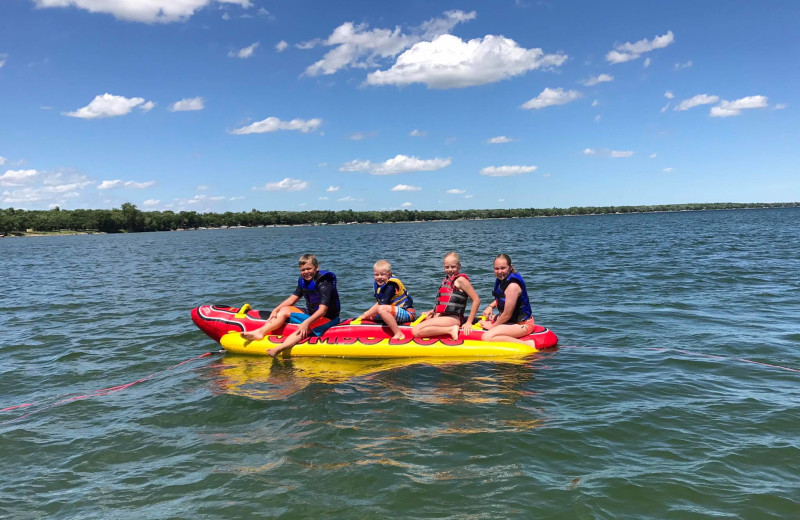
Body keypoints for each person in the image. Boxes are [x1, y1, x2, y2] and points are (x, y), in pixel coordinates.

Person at [241, 254, 341, 357]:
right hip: (312, 313)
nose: (306, 272)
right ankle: (260, 332)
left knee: (304, 329)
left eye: (309, 269)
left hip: (328, 318)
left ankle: (281, 347)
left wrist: (306, 322)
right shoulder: (303, 282)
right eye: (303, 270)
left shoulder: (324, 283)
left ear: (316, 267)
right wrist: (276, 310)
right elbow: (292, 299)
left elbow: (323, 310)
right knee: (284, 310)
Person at [412, 252, 480, 341]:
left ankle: (450, 330)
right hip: (445, 316)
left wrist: (469, 322)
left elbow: (476, 300)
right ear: (443, 267)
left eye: (453, 267)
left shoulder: (461, 280)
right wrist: (432, 311)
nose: (450, 270)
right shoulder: (446, 280)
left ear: (459, 266)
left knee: (415, 331)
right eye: (447, 267)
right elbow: (447, 303)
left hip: (453, 318)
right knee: (427, 319)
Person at [479, 253, 536, 346]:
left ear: (510, 267)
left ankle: (527, 344)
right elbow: (503, 298)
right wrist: (491, 306)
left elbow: (507, 314)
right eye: (496, 269)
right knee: (488, 317)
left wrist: (492, 326)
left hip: (522, 325)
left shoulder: (512, 286)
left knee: (486, 337)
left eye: (503, 268)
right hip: (512, 320)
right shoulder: (503, 280)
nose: (499, 271)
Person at [354, 260, 416, 341]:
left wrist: (364, 315)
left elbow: (381, 305)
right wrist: (368, 315)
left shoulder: (390, 286)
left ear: (389, 274)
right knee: (373, 314)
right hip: (395, 311)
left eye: (382, 274)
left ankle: (398, 333)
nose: (379, 277)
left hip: (408, 314)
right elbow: (381, 302)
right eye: (376, 274)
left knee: (381, 310)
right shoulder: (382, 284)